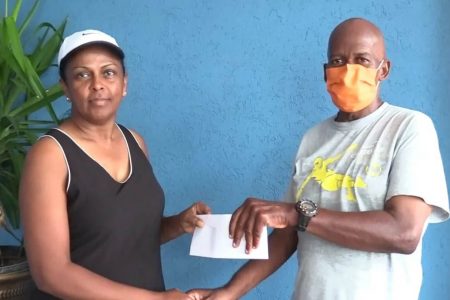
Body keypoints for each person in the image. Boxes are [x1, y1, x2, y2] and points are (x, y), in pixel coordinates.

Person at [188, 18, 450, 300]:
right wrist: (229, 292)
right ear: (326, 71)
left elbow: (404, 233)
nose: (348, 70)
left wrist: (296, 213)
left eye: (362, 59)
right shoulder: (313, 139)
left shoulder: (409, 127)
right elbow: (288, 235)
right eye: (337, 60)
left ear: (383, 70)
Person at [19, 29, 210, 299]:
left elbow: (122, 237)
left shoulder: (135, 142)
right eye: (82, 74)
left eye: (108, 72)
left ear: (124, 83)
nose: (97, 84)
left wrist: (179, 224)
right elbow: (50, 274)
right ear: (65, 87)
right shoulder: (50, 155)